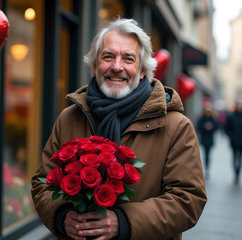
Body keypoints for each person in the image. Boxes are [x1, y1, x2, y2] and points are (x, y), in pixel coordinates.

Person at [31, 18, 207, 240]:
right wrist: (61, 216)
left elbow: (188, 200)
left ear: (142, 70)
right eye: (108, 56)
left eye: (128, 59)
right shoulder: (69, 118)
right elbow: (42, 184)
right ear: (95, 66)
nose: (116, 67)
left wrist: (123, 223)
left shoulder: (176, 127)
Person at [196, 106, 219, 179]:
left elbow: (216, 127)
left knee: (208, 154)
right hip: (204, 139)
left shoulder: (213, 119)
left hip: (210, 139)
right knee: (205, 154)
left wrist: (211, 127)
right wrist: (204, 127)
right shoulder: (202, 119)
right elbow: (198, 127)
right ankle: (206, 168)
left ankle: (207, 168)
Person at [224, 101, 242, 184]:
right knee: (235, 157)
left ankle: (238, 172)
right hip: (234, 141)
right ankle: (236, 173)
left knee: (240, 159)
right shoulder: (231, 117)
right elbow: (227, 129)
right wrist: (232, 137)